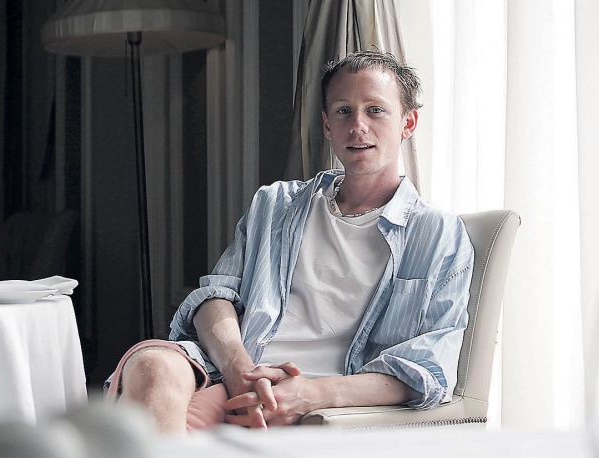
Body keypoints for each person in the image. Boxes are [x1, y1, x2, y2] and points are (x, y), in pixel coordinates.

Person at [105, 49, 475, 434]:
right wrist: (239, 369)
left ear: (407, 123)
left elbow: (429, 366)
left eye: (375, 110)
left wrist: (312, 394)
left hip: (324, 396)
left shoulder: (437, 233)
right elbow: (215, 296)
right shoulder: (276, 204)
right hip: (236, 370)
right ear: (327, 124)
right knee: (151, 365)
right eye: (343, 111)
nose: (358, 126)